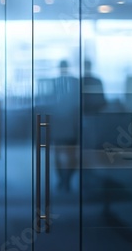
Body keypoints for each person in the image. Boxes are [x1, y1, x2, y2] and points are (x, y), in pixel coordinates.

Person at [50, 60, 80, 192]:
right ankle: (64, 180)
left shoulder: (71, 83)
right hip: (64, 123)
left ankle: (65, 180)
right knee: (65, 153)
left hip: (67, 123)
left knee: (66, 153)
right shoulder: (71, 82)